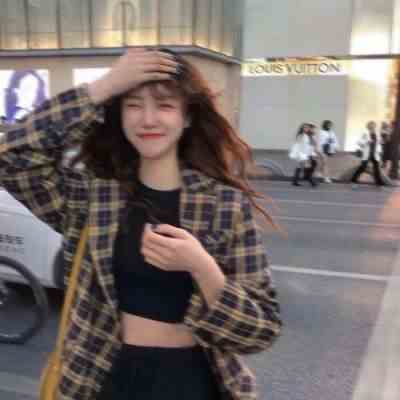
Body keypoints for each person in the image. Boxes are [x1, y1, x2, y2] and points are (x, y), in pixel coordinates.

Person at [0, 48, 282, 400]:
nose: (148, 120)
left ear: (187, 117)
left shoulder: (224, 204)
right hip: (101, 376)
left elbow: (261, 330)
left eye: (164, 105)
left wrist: (202, 267)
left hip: (191, 382)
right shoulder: (93, 196)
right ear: (119, 116)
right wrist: (101, 88)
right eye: (133, 105)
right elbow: (11, 157)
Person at [351, 121, 385, 187]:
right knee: (362, 167)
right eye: (371, 125)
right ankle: (353, 180)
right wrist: (367, 141)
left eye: (374, 125)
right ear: (368, 126)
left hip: (375, 154)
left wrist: (381, 143)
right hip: (367, 153)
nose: (373, 127)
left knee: (376, 168)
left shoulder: (377, 134)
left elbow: (379, 142)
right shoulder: (365, 133)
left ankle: (379, 182)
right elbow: (359, 142)